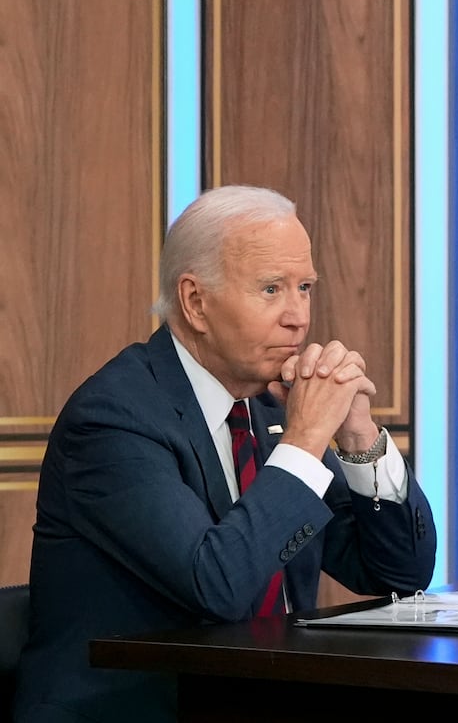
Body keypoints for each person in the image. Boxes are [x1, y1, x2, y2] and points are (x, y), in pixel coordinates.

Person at [15, 187, 436, 723]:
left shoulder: (268, 408)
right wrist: (307, 441)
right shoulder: (112, 420)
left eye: (304, 288)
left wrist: (358, 438)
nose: (298, 317)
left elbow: (398, 574)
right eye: (270, 289)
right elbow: (217, 584)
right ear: (195, 302)